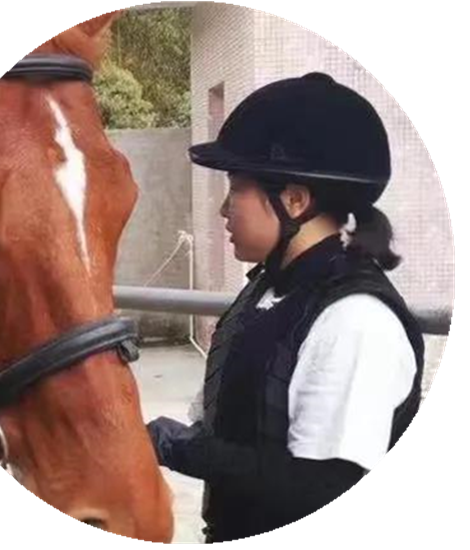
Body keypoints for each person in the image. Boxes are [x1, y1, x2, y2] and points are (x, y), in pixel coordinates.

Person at [147, 73, 424, 543]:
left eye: (236, 189)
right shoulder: (266, 289)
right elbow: (228, 415)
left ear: (294, 200)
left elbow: (322, 489)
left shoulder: (356, 321)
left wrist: (179, 448)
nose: (223, 210)